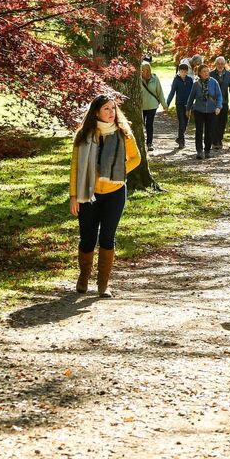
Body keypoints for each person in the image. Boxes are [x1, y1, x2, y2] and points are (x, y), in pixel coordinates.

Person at [69, 94, 142, 297]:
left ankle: (103, 285)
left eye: (113, 108)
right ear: (97, 112)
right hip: (88, 193)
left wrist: (118, 170)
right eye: (107, 109)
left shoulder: (123, 132)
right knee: (87, 238)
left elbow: (136, 158)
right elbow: (75, 167)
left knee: (107, 237)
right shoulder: (84, 135)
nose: (112, 113)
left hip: (115, 192)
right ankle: (84, 277)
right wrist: (73, 196)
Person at [187, 63, 223, 160]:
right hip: (199, 110)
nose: (206, 73)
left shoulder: (214, 82)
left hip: (211, 111)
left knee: (209, 131)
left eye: (207, 71)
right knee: (199, 131)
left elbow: (219, 96)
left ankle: (207, 151)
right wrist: (188, 109)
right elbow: (191, 98)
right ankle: (199, 151)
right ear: (199, 73)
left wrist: (218, 107)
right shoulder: (196, 84)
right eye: (204, 71)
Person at [138, 61, 166, 152]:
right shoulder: (138, 79)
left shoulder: (155, 78)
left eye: (146, 70)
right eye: (142, 70)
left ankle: (149, 143)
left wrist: (164, 105)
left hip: (152, 106)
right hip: (141, 106)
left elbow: (160, 92)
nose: (144, 72)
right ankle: (140, 143)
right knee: (141, 125)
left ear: (149, 70)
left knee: (149, 124)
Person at [166, 61, 193, 148]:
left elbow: (193, 92)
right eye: (182, 71)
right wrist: (167, 103)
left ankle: (179, 137)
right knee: (181, 122)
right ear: (179, 71)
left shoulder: (190, 80)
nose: (183, 73)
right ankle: (182, 141)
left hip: (188, 105)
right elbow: (172, 92)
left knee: (185, 123)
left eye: (185, 71)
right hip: (179, 104)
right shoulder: (176, 80)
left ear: (187, 72)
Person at [211, 56, 230, 151]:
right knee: (214, 122)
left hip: (224, 103)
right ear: (216, 64)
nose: (220, 65)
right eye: (218, 64)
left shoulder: (229, 75)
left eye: (222, 64)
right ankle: (214, 141)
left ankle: (219, 139)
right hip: (213, 103)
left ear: (224, 64)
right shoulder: (211, 74)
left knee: (222, 122)